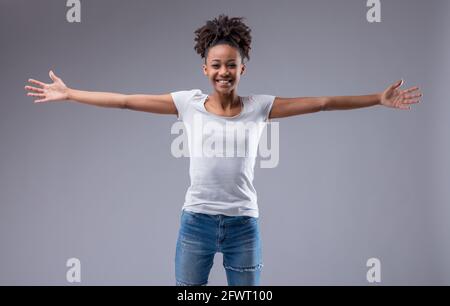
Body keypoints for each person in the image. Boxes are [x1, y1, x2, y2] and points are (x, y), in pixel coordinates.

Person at [24, 14, 422, 286]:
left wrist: (377, 98)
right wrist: (70, 93)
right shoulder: (188, 103)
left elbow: (321, 103)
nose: (223, 72)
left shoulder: (260, 107)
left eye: (231, 65)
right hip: (195, 223)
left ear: (242, 68)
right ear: (205, 68)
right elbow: (127, 100)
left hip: (243, 226)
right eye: (216, 65)